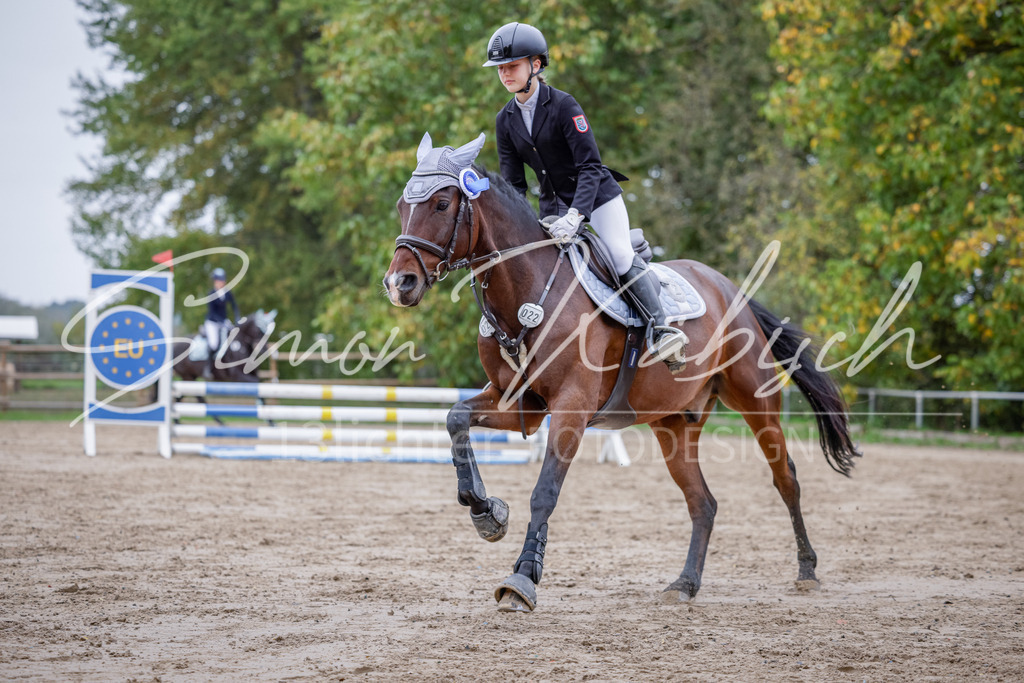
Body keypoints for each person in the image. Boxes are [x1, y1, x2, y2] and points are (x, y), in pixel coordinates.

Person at [482, 21, 688, 372]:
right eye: (501, 68)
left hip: (597, 199)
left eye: (512, 66)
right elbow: (514, 185)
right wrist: (521, 227)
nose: (505, 74)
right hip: (551, 208)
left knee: (621, 257)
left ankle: (661, 327)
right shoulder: (505, 120)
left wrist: (577, 214)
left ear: (536, 65)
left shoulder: (564, 105)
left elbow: (591, 165)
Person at [204, 267, 239, 379]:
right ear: (215, 281)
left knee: (234, 340)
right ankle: (208, 368)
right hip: (212, 323)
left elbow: (234, 306)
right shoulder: (211, 293)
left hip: (224, 321)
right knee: (214, 344)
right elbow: (212, 313)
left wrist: (237, 318)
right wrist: (222, 322)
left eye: (223, 280)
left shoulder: (227, 293)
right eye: (220, 281)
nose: (222, 283)